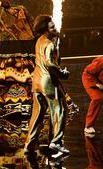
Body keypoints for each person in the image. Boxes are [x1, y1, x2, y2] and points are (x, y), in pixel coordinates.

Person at [24, 15, 70, 155]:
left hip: (37, 81)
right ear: (45, 30)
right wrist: (62, 73)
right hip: (48, 82)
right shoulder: (49, 44)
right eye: (52, 27)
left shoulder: (40, 41)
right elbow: (50, 64)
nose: (55, 28)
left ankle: (29, 144)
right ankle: (56, 143)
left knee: (37, 113)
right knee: (60, 110)